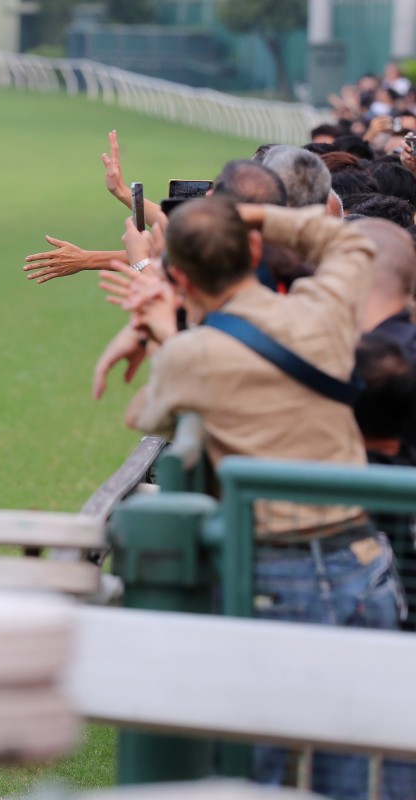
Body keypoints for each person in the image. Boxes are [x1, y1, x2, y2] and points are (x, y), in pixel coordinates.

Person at [121, 197, 407, 797]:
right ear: (253, 251)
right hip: (364, 562)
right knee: (370, 769)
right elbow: (351, 243)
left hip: (270, 576)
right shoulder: (325, 312)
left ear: (179, 277)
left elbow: (143, 414)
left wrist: (161, 333)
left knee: (263, 779)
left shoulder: (191, 357)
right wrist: (257, 215)